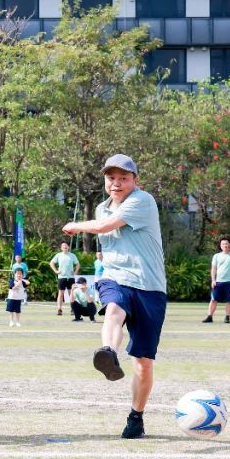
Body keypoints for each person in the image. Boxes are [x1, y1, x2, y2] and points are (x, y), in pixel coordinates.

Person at [62, 154, 166, 439]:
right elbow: (102, 224)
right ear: (105, 180)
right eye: (111, 178)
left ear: (135, 181)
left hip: (150, 286)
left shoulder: (142, 201)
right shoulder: (100, 207)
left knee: (143, 364)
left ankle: (136, 416)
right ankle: (108, 352)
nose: (116, 184)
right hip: (116, 277)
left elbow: (104, 227)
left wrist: (76, 226)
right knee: (114, 309)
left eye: (123, 178)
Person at [202, 238, 230, 324]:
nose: (225, 245)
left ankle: (227, 317)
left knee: (229, 300)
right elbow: (213, 268)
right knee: (213, 299)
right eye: (223, 244)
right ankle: (209, 316)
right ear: (220, 245)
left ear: (229, 245)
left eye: (227, 244)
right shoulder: (216, 256)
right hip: (218, 281)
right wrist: (213, 280)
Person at [48, 241, 80, 315]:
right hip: (62, 277)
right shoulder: (58, 255)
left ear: (68, 247)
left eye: (66, 246)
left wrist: (75, 272)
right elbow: (51, 263)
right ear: (61, 248)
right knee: (61, 293)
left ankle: (73, 309)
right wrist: (56, 271)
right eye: (63, 246)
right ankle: (59, 309)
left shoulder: (72, 255)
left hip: (71, 277)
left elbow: (78, 264)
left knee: (71, 293)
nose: (65, 247)